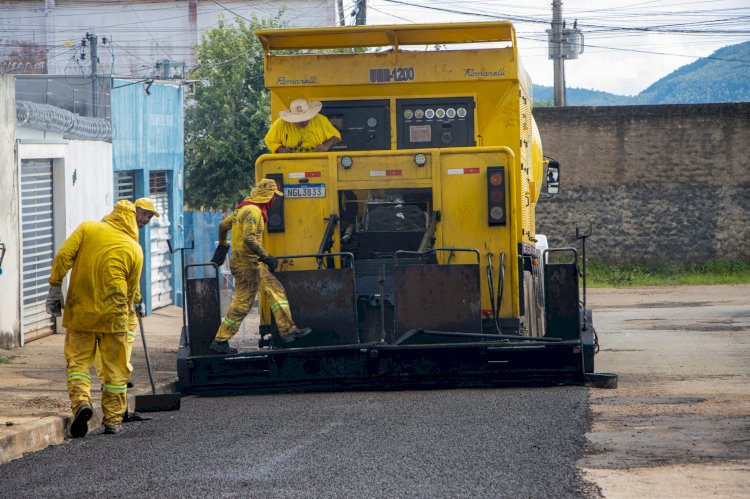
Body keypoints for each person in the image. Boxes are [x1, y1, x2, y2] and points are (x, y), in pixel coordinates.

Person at [46, 200, 144, 437]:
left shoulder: (88, 228)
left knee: (78, 363)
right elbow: (132, 291)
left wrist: (55, 287)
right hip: (114, 317)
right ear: (132, 222)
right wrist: (133, 308)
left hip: (81, 313)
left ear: (112, 215)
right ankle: (112, 420)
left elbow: (63, 256)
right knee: (115, 371)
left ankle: (82, 403)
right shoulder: (134, 248)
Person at [209, 178, 311, 354]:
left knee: (274, 290)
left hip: (245, 262)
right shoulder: (254, 212)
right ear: (268, 196)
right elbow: (249, 239)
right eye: (273, 196)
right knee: (244, 302)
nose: (274, 200)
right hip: (247, 264)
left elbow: (223, 225)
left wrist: (223, 245)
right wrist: (267, 256)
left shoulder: (242, 209)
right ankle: (220, 340)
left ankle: (288, 330)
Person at [93, 198, 159, 403]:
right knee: (105, 337)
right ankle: (109, 377)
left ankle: (118, 373)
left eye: (150, 216)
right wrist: (137, 298)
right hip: (108, 290)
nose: (147, 220)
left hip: (116, 290)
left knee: (126, 333)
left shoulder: (126, 228)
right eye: (145, 214)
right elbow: (130, 270)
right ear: (134, 210)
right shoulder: (121, 229)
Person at [264, 98, 342, 153]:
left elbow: (336, 136)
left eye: (306, 118)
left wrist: (326, 146)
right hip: (290, 164)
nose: (303, 123)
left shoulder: (320, 119)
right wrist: (282, 150)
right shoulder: (281, 123)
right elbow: (270, 141)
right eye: (299, 120)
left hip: (318, 162)